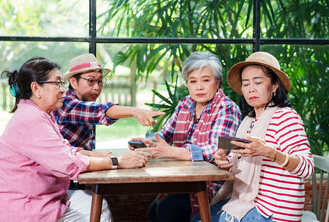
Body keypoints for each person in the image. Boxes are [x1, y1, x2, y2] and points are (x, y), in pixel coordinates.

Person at [0, 57, 148, 222]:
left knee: (97, 205)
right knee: (97, 209)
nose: (62, 89)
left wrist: (105, 156)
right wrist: (117, 162)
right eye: (57, 84)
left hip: (42, 197)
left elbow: (66, 150)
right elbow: (68, 163)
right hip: (23, 208)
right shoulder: (31, 119)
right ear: (36, 88)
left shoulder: (41, 114)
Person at [191, 52, 314, 222]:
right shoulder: (249, 121)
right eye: (246, 83)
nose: (251, 89)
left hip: (274, 212)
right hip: (250, 202)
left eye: (258, 82)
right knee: (198, 217)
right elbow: (238, 166)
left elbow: (307, 168)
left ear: (274, 86)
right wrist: (224, 163)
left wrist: (271, 153)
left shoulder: (286, 117)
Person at [130, 51, 242, 222]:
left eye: (206, 80)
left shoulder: (227, 108)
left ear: (217, 82)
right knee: (154, 211)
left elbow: (218, 149)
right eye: (193, 81)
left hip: (213, 186)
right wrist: (147, 141)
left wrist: (173, 152)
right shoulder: (185, 104)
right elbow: (164, 135)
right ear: (187, 84)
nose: (199, 87)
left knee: (166, 210)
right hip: (184, 180)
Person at [54, 53, 164, 150]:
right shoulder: (66, 104)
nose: (97, 87)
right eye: (90, 81)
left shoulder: (83, 101)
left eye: (100, 81)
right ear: (73, 82)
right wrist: (133, 111)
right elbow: (99, 110)